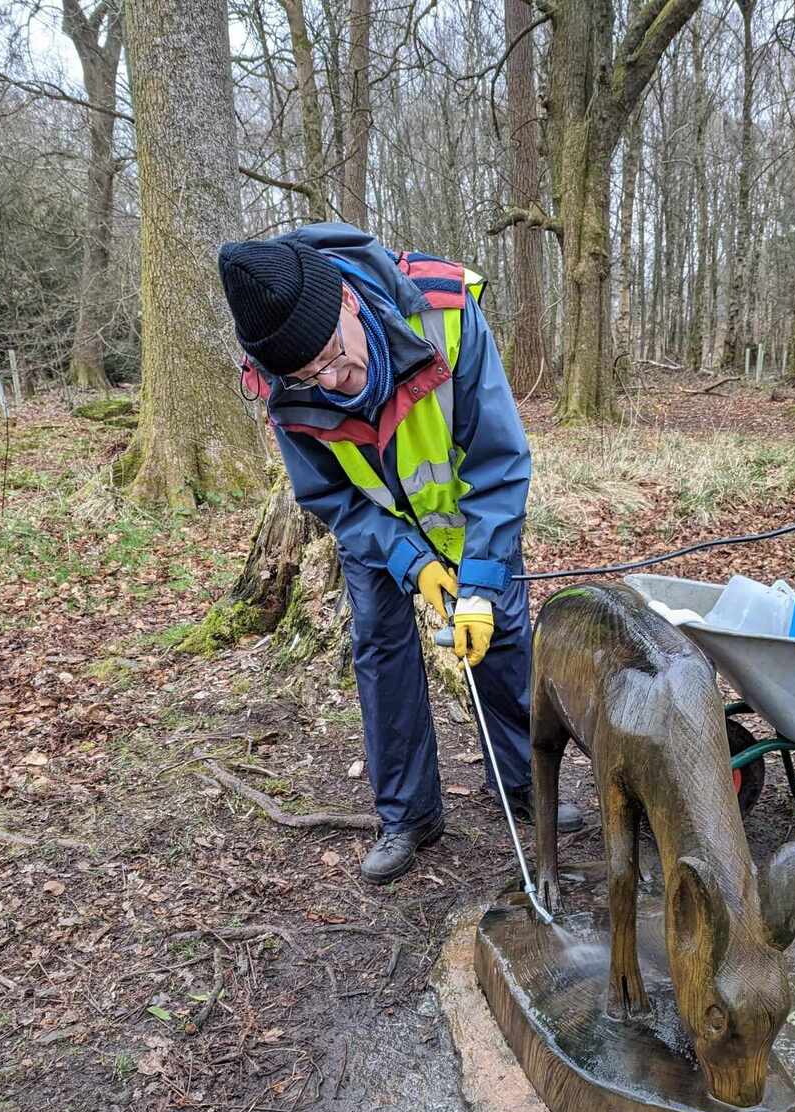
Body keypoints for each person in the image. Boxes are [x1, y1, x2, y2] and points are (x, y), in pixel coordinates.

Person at [217, 223, 582, 882]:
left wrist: (478, 582)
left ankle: (532, 787)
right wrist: (409, 560)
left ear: (349, 304)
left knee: (498, 635)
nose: (333, 379)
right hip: (375, 529)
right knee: (382, 649)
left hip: (475, 514)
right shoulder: (281, 388)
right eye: (310, 374)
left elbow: (499, 461)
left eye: (334, 354)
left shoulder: (442, 310)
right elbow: (331, 497)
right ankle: (409, 814)